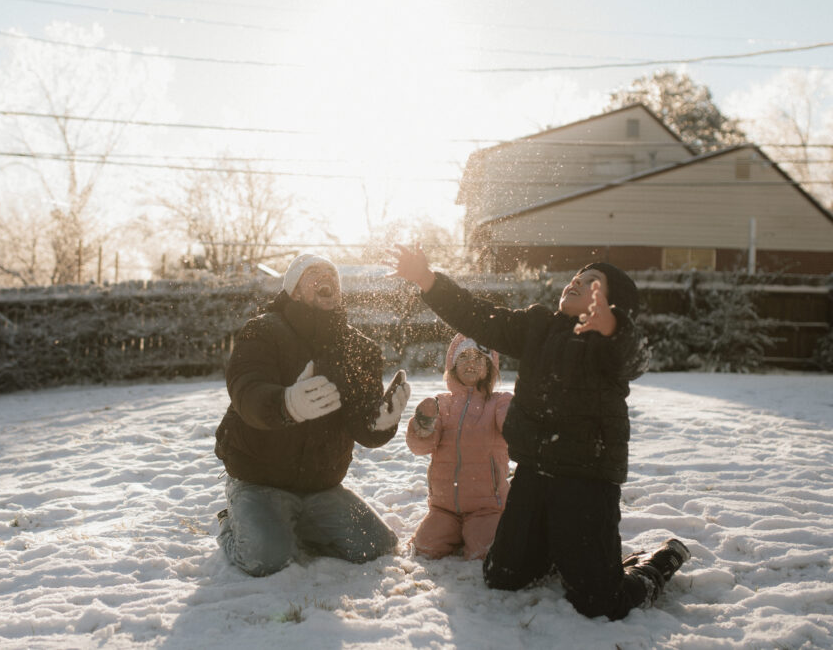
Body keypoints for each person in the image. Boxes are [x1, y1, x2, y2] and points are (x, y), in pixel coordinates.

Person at [387, 243, 690, 620]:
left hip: (587, 481)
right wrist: (428, 280)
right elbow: (478, 316)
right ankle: (559, 548)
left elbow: (635, 356)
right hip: (533, 474)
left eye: (592, 281)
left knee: (598, 603)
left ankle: (658, 563)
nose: (576, 282)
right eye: (576, 277)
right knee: (502, 576)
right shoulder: (538, 327)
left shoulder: (610, 343)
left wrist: (613, 326)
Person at [214, 253, 411, 577]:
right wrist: (285, 404)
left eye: (331, 275)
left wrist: (381, 424)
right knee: (266, 559)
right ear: (294, 290)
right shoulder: (262, 331)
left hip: (320, 486)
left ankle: (292, 524)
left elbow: (362, 423)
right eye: (313, 274)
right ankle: (232, 522)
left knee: (376, 546)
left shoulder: (358, 348)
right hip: (259, 479)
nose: (326, 279)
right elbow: (245, 389)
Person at [406, 333, 513, 560]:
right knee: (425, 547)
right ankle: (453, 531)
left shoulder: (498, 402)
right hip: (443, 506)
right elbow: (421, 447)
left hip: (486, 505)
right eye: (464, 357)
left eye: (478, 358)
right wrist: (423, 425)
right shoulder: (442, 403)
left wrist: (512, 421)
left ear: (489, 366)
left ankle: (478, 533)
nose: (471, 363)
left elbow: (512, 430)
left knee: (483, 550)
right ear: (453, 365)